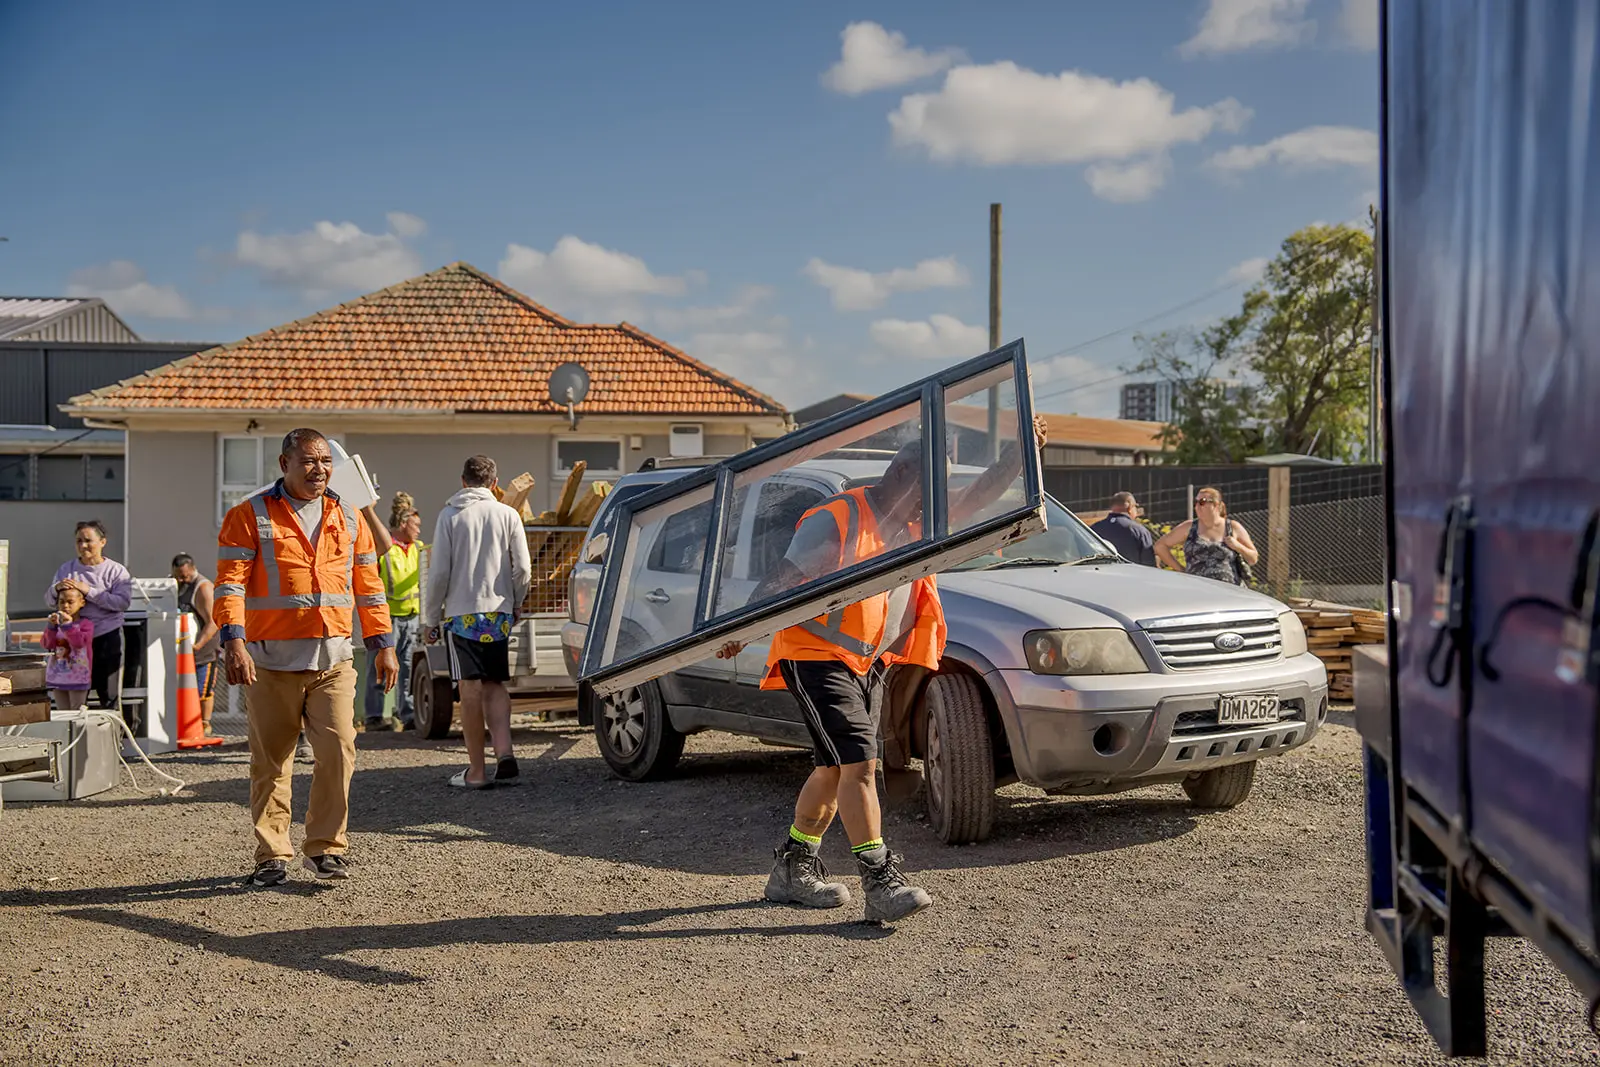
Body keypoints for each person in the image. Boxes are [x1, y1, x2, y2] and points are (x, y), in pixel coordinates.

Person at [717, 417, 1048, 923]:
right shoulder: (838, 517)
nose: (932, 505)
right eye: (927, 490)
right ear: (904, 473)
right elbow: (783, 579)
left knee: (832, 769)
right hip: (815, 654)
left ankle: (792, 868)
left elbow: (979, 498)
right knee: (860, 766)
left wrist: (1021, 454)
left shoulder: (912, 524)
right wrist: (737, 629)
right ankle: (878, 880)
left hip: (864, 661)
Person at [216, 428, 397, 888]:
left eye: (325, 462)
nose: (319, 470)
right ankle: (272, 852)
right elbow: (230, 584)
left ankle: (325, 848)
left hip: (333, 659)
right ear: (285, 465)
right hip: (270, 661)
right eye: (309, 462)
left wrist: (383, 644)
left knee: (339, 752)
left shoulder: (350, 517)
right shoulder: (248, 516)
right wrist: (234, 640)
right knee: (272, 762)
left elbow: (369, 587)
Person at [423, 455, 532, 789]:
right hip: (498, 612)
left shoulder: (450, 516)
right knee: (496, 684)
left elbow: (439, 572)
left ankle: (477, 772)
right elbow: (524, 568)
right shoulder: (508, 514)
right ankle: (504, 751)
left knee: (469, 689)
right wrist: (515, 602)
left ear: (462, 480)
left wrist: (430, 617)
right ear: (495, 484)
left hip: (462, 614)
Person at [47, 520, 132, 718]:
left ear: (102, 542)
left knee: (109, 693)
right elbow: (49, 599)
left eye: (88, 540)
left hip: (106, 635)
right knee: (73, 696)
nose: (83, 545)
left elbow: (122, 603)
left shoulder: (116, 571)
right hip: (73, 639)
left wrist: (88, 591)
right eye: (78, 541)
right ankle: (75, 741)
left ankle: (113, 741)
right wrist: (56, 589)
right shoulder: (66, 569)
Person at [364, 493, 423, 731]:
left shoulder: (417, 548)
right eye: (415, 525)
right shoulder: (386, 548)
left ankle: (407, 714)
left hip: (411, 616)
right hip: (386, 618)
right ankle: (374, 716)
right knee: (378, 667)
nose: (419, 530)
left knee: (407, 667)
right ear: (403, 524)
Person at [1154, 486, 1261, 584]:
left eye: (1202, 502)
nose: (1197, 506)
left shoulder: (1232, 527)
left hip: (1230, 591)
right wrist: (1181, 570)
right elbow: (1160, 546)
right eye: (1196, 502)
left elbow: (1253, 559)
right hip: (1199, 590)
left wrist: (1238, 546)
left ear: (1216, 505)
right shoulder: (1189, 527)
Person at [172, 553, 221, 737]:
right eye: (178, 575)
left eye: (184, 575)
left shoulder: (203, 588)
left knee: (202, 689)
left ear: (192, 569)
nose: (181, 579)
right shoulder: (174, 584)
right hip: (180, 649)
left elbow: (213, 622)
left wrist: (197, 646)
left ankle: (204, 723)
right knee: (182, 690)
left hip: (202, 650)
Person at [42, 582, 94, 711]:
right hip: (58, 676)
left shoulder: (86, 624)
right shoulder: (56, 625)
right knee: (62, 713)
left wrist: (67, 626)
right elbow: (47, 644)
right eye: (61, 602)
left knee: (77, 712)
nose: (65, 606)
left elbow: (79, 643)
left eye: (70, 602)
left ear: (82, 603)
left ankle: (77, 732)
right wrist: (51, 628)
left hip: (78, 677)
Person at [1090, 492, 1156, 567]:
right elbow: (1148, 563)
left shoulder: (1094, 529)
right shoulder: (1139, 530)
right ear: (1130, 508)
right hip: (1131, 576)